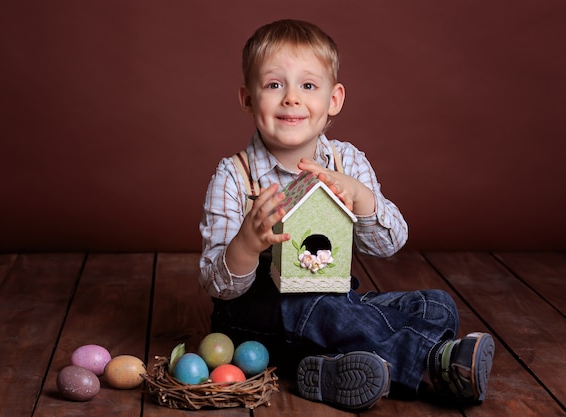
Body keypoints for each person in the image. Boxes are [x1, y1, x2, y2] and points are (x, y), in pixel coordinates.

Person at [199, 19, 494, 411]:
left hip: (335, 299)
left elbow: (391, 244)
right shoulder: (234, 177)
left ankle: (327, 370)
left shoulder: (347, 161)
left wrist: (361, 198)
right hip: (253, 316)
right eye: (274, 85)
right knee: (321, 306)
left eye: (308, 85)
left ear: (334, 99)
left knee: (434, 306)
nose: (291, 98)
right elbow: (217, 286)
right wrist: (247, 244)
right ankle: (434, 362)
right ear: (248, 99)